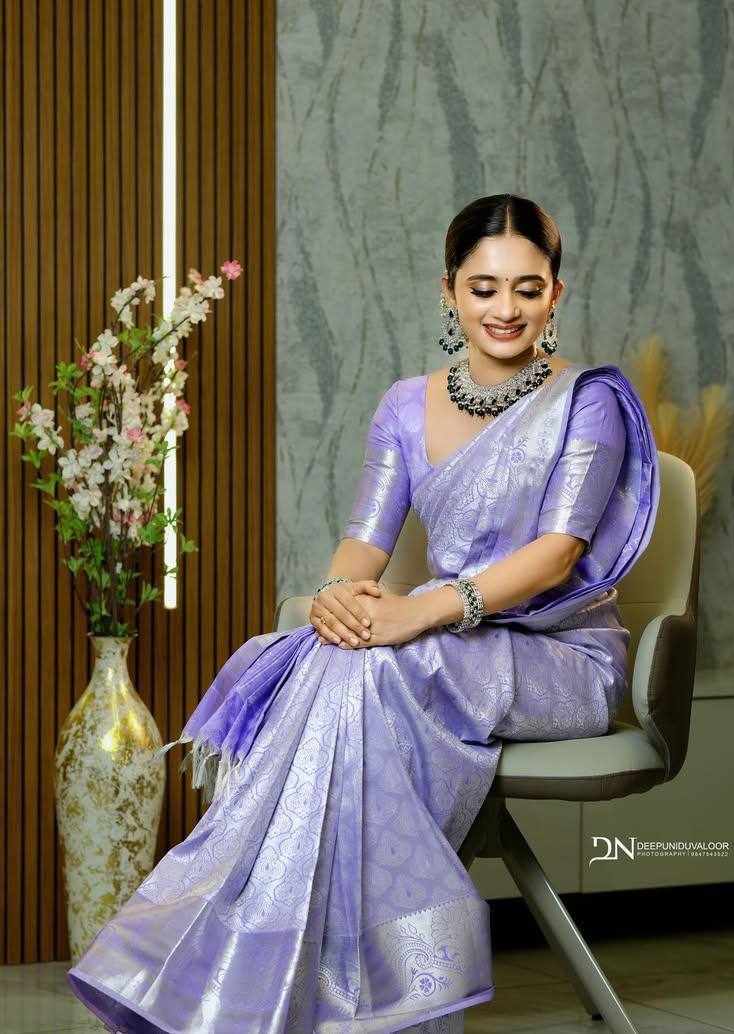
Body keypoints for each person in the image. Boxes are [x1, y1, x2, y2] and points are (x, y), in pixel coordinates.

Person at [66, 193, 660, 1033]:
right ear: (448, 291)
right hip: (443, 645)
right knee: (322, 654)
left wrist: (423, 612)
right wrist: (341, 598)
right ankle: (300, 974)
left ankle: (329, 981)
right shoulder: (405, 404)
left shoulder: (585, 400)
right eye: (484, 287)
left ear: (555, 295)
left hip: (558, 655)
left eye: (528, 289)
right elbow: (363, 542)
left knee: (373, 665)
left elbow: (559, 554)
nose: (506, 308)